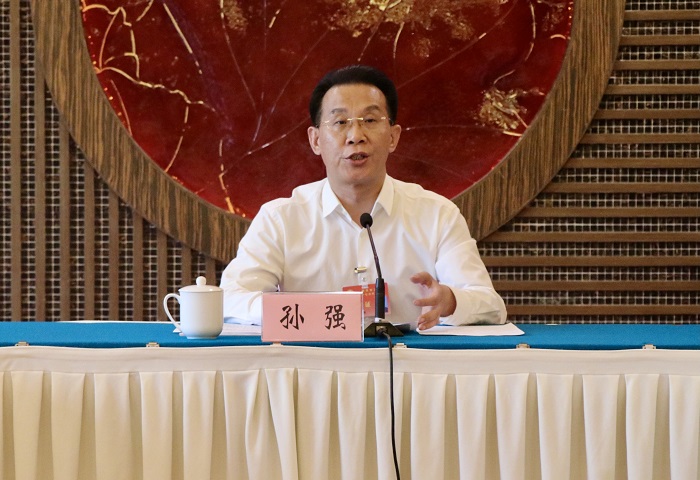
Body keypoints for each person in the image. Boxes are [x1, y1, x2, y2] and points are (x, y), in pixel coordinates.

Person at [220, 65, 506, 330]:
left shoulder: (437, 215)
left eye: (370, 120)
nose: (355, 135)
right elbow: (230, 299)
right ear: (316, 140)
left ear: (393, 137)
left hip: (408, 366)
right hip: (312, 365)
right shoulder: (280, 220)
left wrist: (452, 301)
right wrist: (308, 313)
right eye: (340, 122)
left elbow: (490, 305)